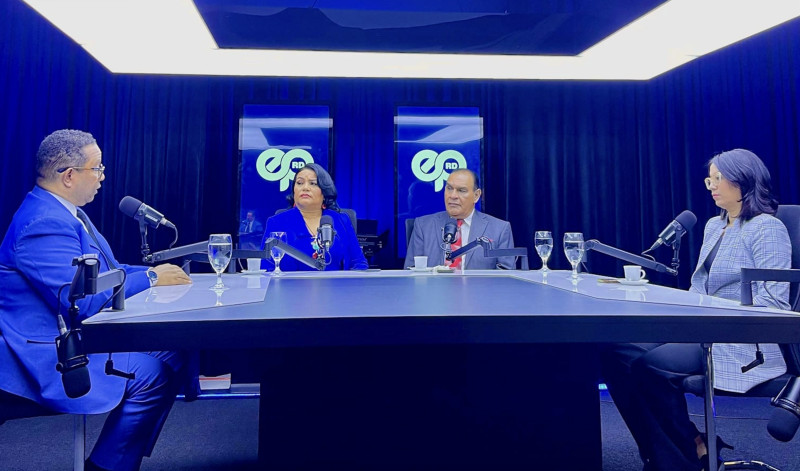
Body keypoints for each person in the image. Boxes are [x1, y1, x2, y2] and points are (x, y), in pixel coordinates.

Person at [0, 130, 196, 471]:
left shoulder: (65, 211)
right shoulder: (43, 223)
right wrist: (152, 279)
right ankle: (106, 466)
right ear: (69, 176)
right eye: (97, 168)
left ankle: (120, 456)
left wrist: (158, 272)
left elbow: (111, 271)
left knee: (172, 349)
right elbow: (81, 301)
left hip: (74, 334)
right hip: (47, 350)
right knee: (151, 374)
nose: (103, 176)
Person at [601, 149, 791, 471]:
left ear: (743, 180)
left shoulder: (767, 228)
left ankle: (678, 461)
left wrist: (715, 314)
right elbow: (700, 288)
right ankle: (689, 444)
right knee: (617, 352)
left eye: (718, 178)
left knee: (652, 366)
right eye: (709, 179)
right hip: (703, 329)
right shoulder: (714, 226)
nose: (711, 186)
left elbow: (774, 303)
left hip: (742, 341)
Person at [260, 163, 368, 271]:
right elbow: (266, 266)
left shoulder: (342, 220)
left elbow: (359, 263)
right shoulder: (277, 222)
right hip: (291, 282)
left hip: (336, 282)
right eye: (299, 183)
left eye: (313, 183)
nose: (305, 188)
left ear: (324, 191)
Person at [404, 168, 516, 269]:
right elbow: (410, 272)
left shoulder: (499, 229)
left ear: (476, 195)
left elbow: (506, 277)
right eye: (449, 188)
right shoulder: (423, 226)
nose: (453, 196)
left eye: (461, 190)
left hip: (480, 286)